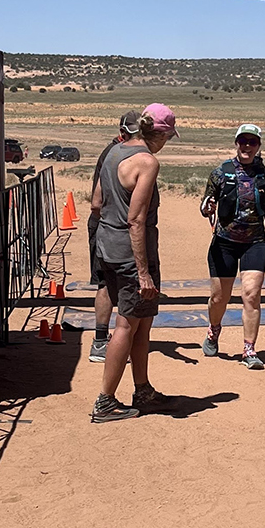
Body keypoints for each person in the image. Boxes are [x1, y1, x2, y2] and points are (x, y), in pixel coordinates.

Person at [90, 103, 178, 422]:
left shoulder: (113, 152)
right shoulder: (147, 162)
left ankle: (142, 390)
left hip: (108, 246)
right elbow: (137, 219)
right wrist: (143, 272)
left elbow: (97, 201)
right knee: (126, 325)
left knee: (141, 322)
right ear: (161, 135)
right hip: (132, 254)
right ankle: (105, 402)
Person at [200, 123, 265, 370]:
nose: (247, 146)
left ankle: (249, 349)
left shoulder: (264, 175)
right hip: (224, 243)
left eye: (252, 142)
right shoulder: (220, 172)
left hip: (254, 242)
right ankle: (214, 330)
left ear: (258, 146)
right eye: (243, 141)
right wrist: (207, 208)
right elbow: (205, 204)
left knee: (251, 295)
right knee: (219, 298)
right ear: (236, 143)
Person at [87, 110, 141, 363]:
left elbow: (95, 202)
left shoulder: (113, 153)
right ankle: (107, 342)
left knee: (106, 283)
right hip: (112, 227)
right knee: (113, 284)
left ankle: (101, 340)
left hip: (104, 226)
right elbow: (96, 202)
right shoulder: (116, 155)